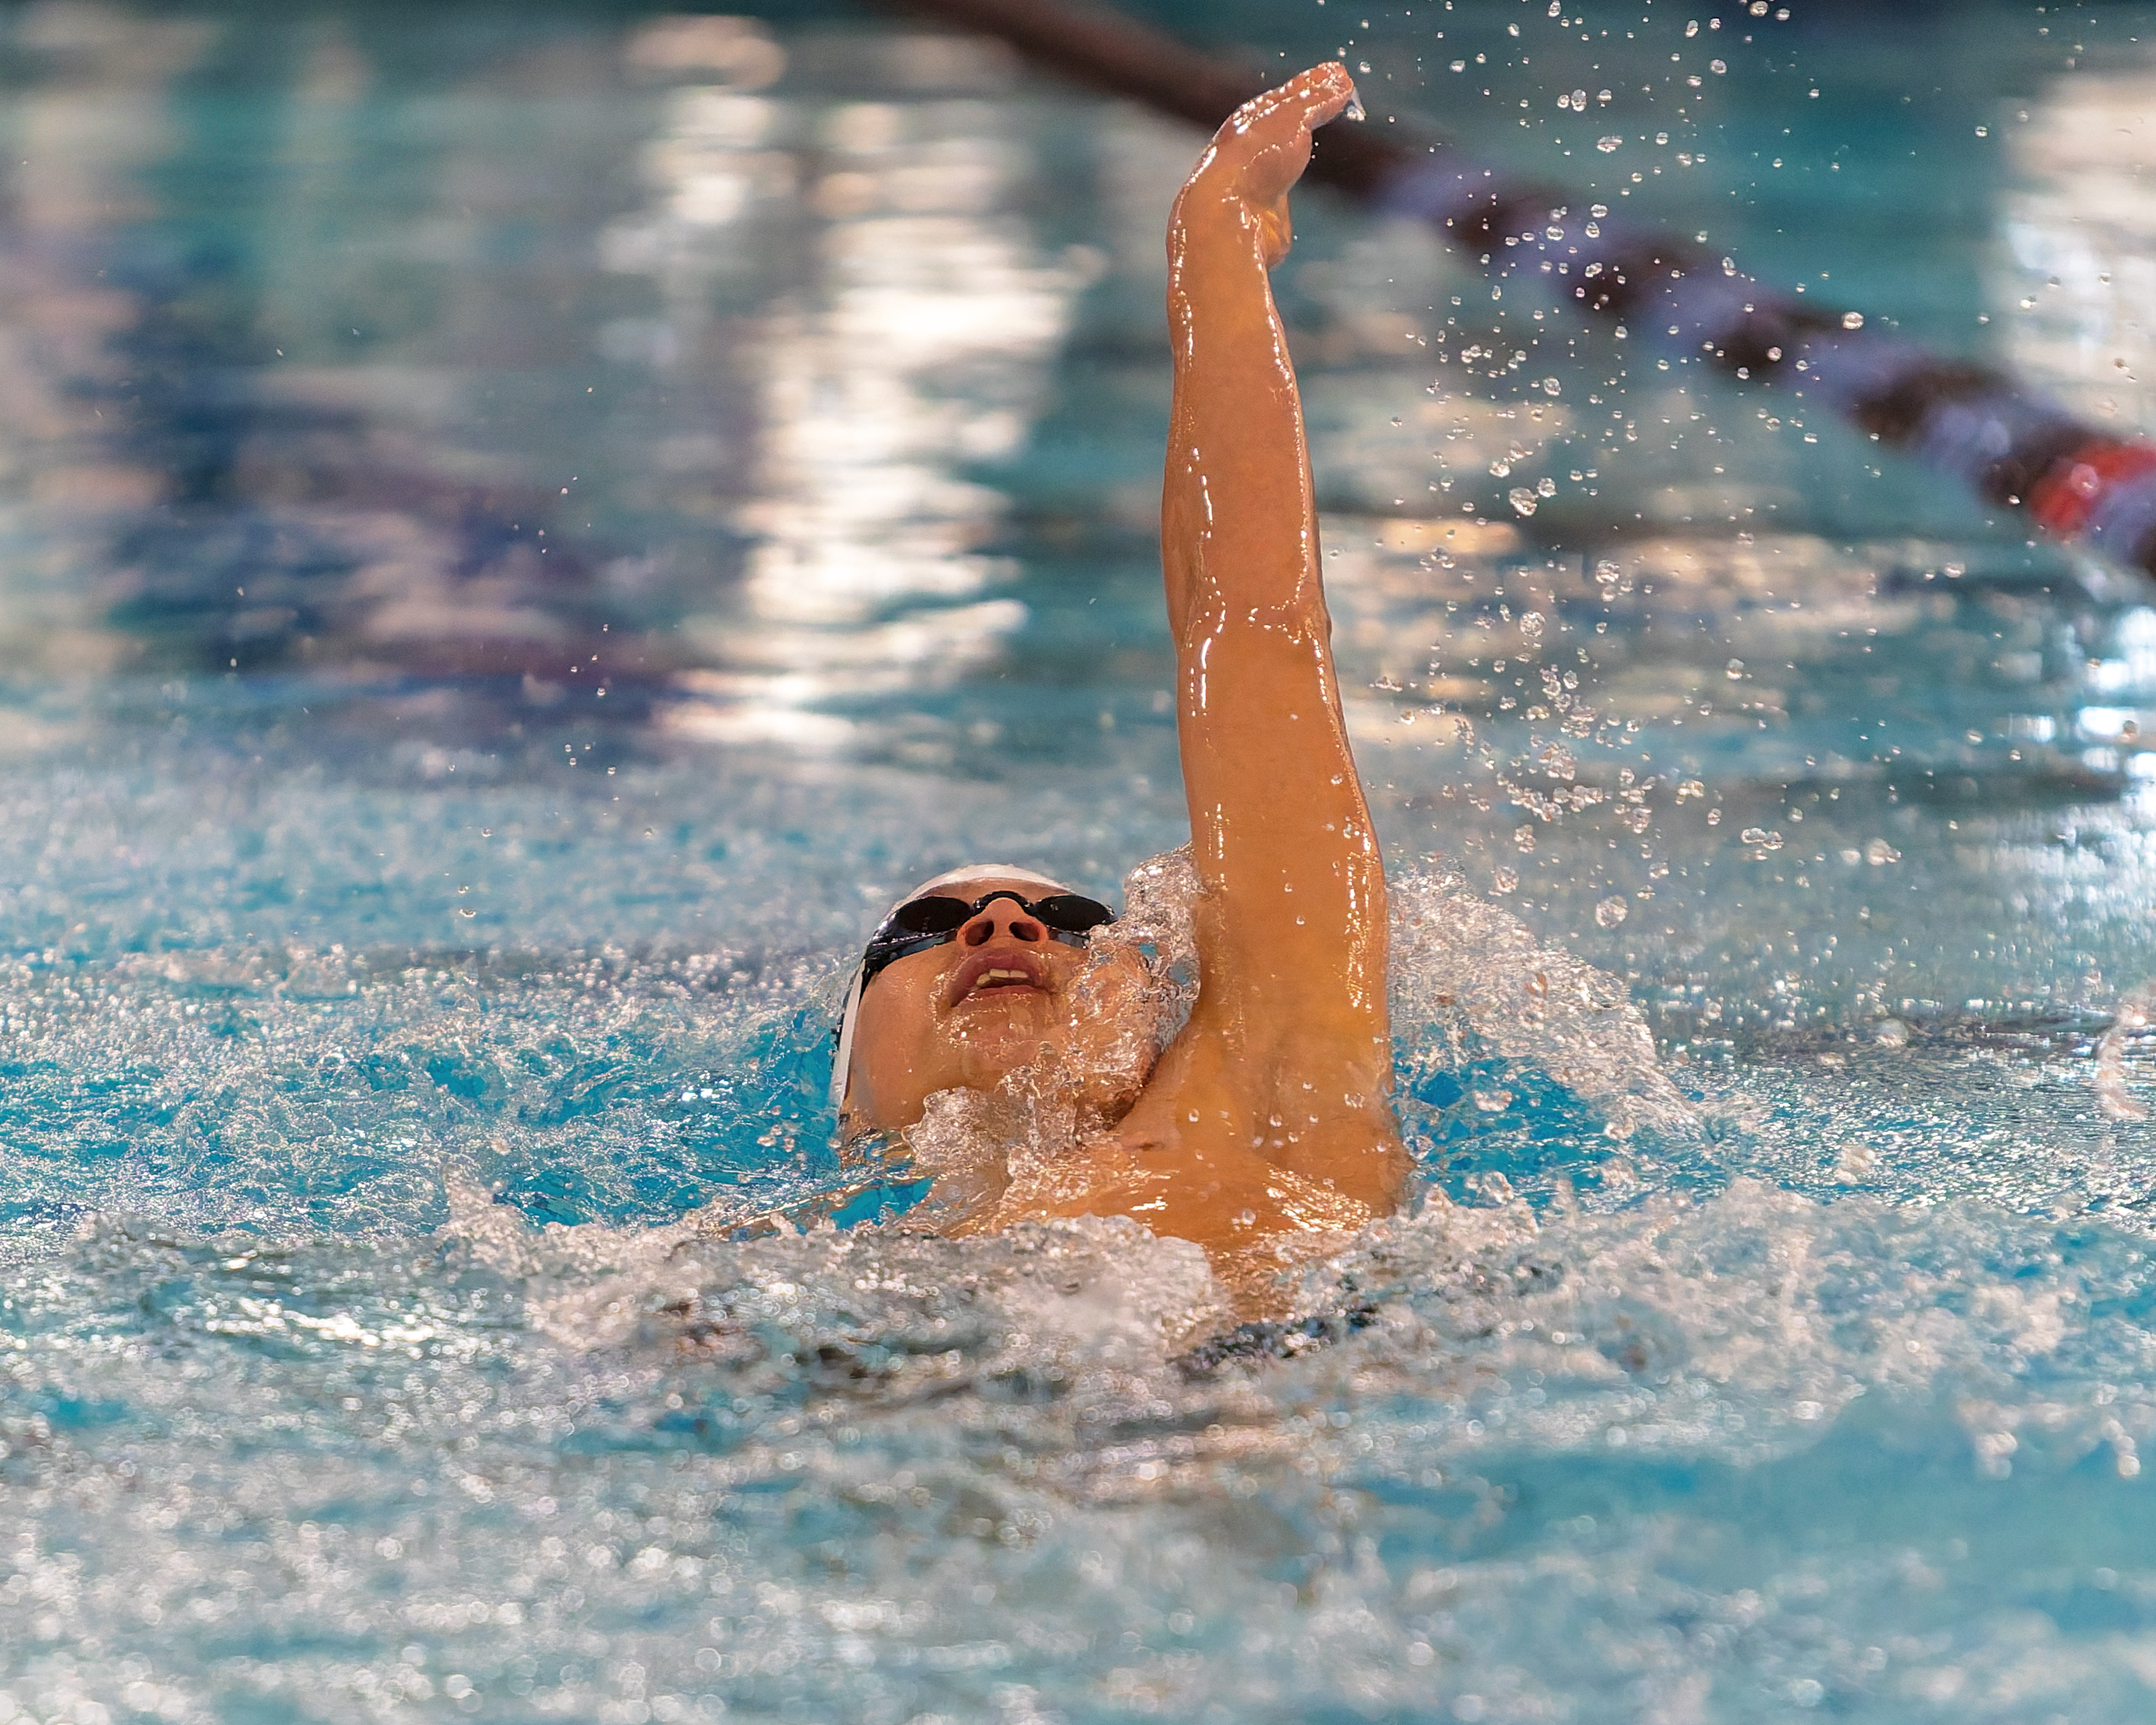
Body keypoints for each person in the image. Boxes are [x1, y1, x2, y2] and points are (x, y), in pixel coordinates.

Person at [831, 65, 1408, 1315]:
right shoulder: (741, 1269)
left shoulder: (1266, 1108)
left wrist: (1215, 247)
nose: (1004, 926)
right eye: (924, 929)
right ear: (849, 1103)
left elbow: (1254, 629)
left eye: (1075, 923)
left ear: (1157, 1014)